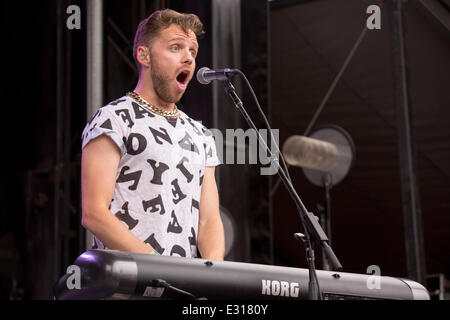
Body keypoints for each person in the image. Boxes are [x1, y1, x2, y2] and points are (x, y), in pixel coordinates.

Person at [80, 9, 225, 261]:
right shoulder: (112, 119)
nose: (189, 58)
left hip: (181, 287)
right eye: (176, 47)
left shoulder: (201, 135)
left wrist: (215, 274)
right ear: (144, 55)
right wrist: (157, 265)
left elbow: (209, 221)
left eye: (193, 51)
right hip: (123, 284)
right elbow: (93, 212)